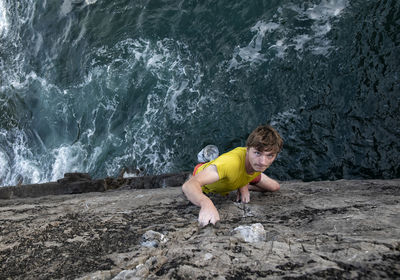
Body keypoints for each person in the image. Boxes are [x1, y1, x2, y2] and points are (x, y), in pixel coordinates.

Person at [182, 124, 283, 227]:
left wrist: (243, 185)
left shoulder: (256, 163)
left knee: (274, 187)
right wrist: (206, 203)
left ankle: (241, 182)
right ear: (247, 149)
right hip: (204, 176)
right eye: (257, 153)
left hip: (242, 172)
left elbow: (273, 184)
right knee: (220, 169)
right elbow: (189, 185)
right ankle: (207, 161)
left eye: (270, 155)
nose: (263, 162)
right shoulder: (230, 164)